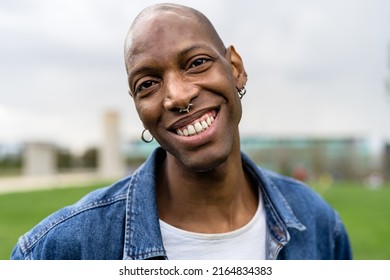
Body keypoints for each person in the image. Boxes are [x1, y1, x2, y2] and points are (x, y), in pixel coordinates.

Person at [11, 3, 352, 260]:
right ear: (138, 108)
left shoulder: (320, 224)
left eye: (196, 63)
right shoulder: (60, 250)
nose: (178, 96)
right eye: (148, 84)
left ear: (235, 68)